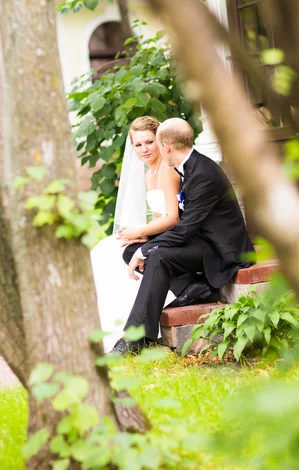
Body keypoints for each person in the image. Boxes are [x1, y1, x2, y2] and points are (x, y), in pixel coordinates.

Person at [112, 118, 255, 355]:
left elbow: (184, 227)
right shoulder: (190, 167)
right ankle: (194, 288)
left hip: (220, 250)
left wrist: (146, 249)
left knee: (156, 256)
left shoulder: (202, 174)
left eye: (154, 143)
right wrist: (143, 243)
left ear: (166, 146)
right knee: (141, 251)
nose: (150, 150)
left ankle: (135, 339)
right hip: (201, 240)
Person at [91, 116, 181, 351]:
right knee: (106, 249)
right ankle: (105, 324)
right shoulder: (148, 174)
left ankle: (135, 328)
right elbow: (157, 218)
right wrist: (144, 236)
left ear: (160, 140)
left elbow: (173, 218)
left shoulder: (167, 171)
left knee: (120, 252)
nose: (144, 149)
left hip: (178, 235)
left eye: (149, 142)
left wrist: (142, 232)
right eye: (138, 145)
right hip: (162, 233)